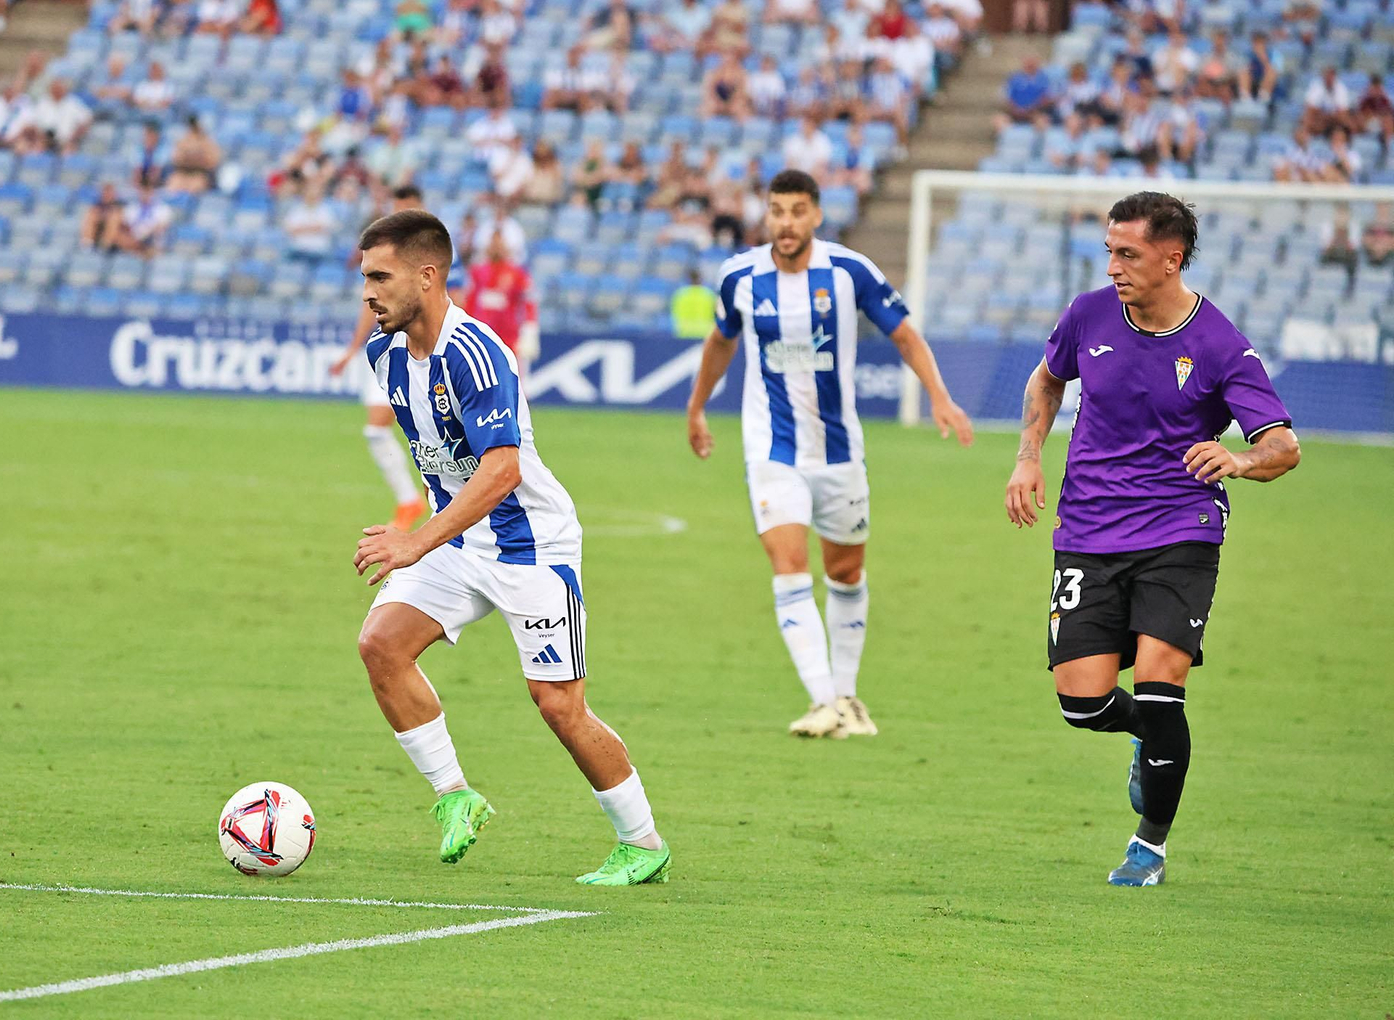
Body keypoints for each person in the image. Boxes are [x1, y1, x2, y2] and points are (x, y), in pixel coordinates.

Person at [352, 209, 671, 886]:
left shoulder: (477, 352)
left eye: (381, 277)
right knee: (381, 643)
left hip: (531, 546)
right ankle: (455, 795)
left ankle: (642, 841)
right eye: (364, 279)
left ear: (428, 275)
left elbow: (502, 470)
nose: (369, 293)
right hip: (455, 539)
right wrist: (431, 538)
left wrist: (414, 540)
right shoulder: (384, 355)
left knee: (558, 704)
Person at [1004, 191, 1300, 887]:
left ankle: (1149, 847)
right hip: (1087, 527)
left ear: (1172, 259)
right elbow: (1047, 380)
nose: (1113, 265)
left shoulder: (1220, 344)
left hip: (1180, 530)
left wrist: (1238, 458)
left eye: (1128, 253)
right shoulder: (1088, 315)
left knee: (1163, 684)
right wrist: (1026, 454)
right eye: (1110, 250)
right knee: (1082, 702)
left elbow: (1283, 446)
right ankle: (1147, 734)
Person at [684, 169, 974, 739]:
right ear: (766, 216)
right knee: (789, 566)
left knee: (846, 572)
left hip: (839, 451)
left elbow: (905, 335)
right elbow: (721, 341)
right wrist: (697, 408)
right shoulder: (739, 277)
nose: (785, 223)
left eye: (797, 211)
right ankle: (823, 700)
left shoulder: (849, 272)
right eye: (776, 210)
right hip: (772, 448)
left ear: (816, 215)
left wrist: (941, 397)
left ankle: (846, 696)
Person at [331, 184, 430, 533]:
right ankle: (409, 499)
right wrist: (352, 350)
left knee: (428, 428)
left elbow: (455, 297)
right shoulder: (383, 250)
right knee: (376, 429)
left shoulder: (434, 252)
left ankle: (437, 498)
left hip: (422, 349)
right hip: (386, 350)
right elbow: (370, 304)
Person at [463, 228, 539, 366]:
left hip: (509, 338)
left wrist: (530, 328)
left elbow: (529, 301)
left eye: (500, 243)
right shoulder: (477, 272)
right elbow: (468, 301)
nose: (496, 248)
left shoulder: (517, 273)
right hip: (481, 338)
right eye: (493, 243)